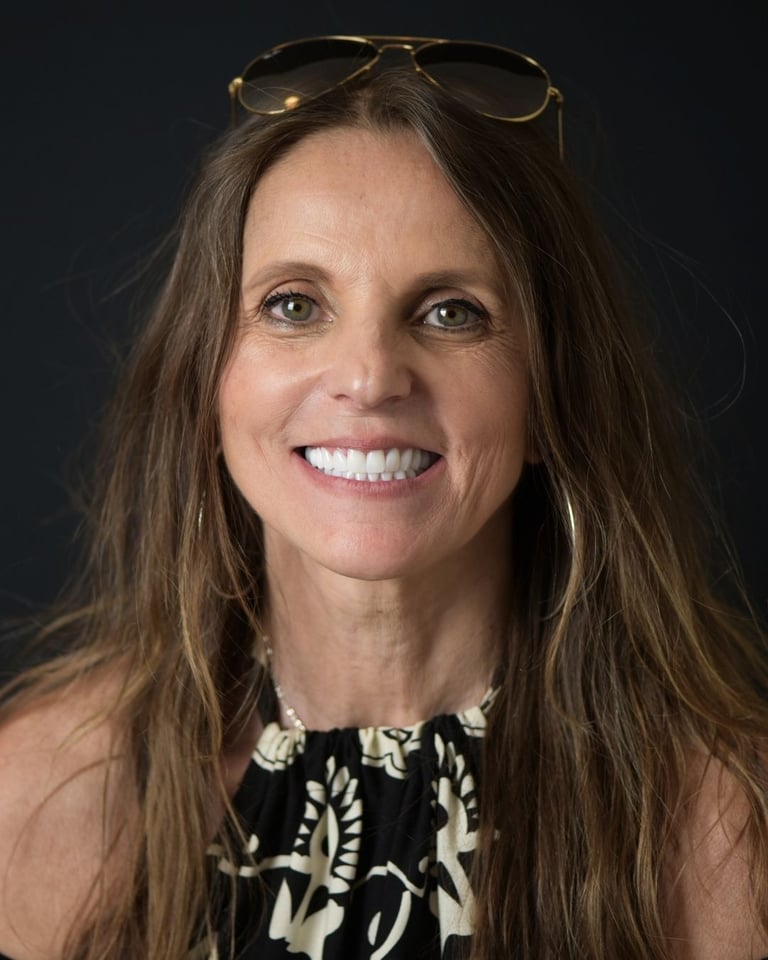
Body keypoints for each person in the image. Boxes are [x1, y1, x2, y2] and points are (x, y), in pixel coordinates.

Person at [0, 34, 766, 960]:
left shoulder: (727, 822)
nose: (368, 377)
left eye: (451, 311)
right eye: (293, 305)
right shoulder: (38, 796)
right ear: (207, 377)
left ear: (551, 395)